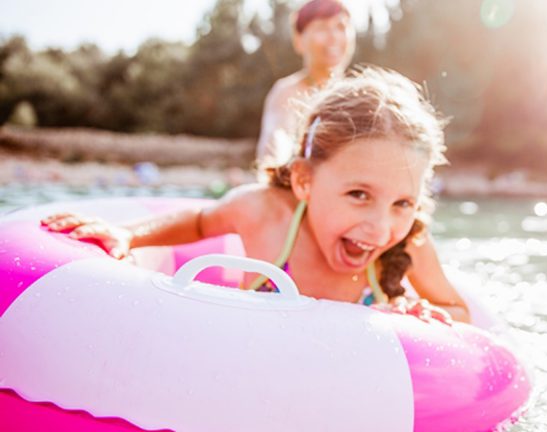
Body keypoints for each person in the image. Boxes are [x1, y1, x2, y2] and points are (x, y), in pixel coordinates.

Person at [42, 67, 470, 324]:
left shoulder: (409, 242)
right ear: (304, 181)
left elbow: (458, 309)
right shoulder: (264, 212)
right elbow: (197, 222)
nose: (381, 227)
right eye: (359, 194)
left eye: (402, 203)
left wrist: (422, 320)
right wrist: (128, 236)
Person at [256, 0, 355, 167]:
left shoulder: (361, 96)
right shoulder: (286, 93)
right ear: (298, 40)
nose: (333, 36)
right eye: (321, 28)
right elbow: (273, 149)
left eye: (341, 27)